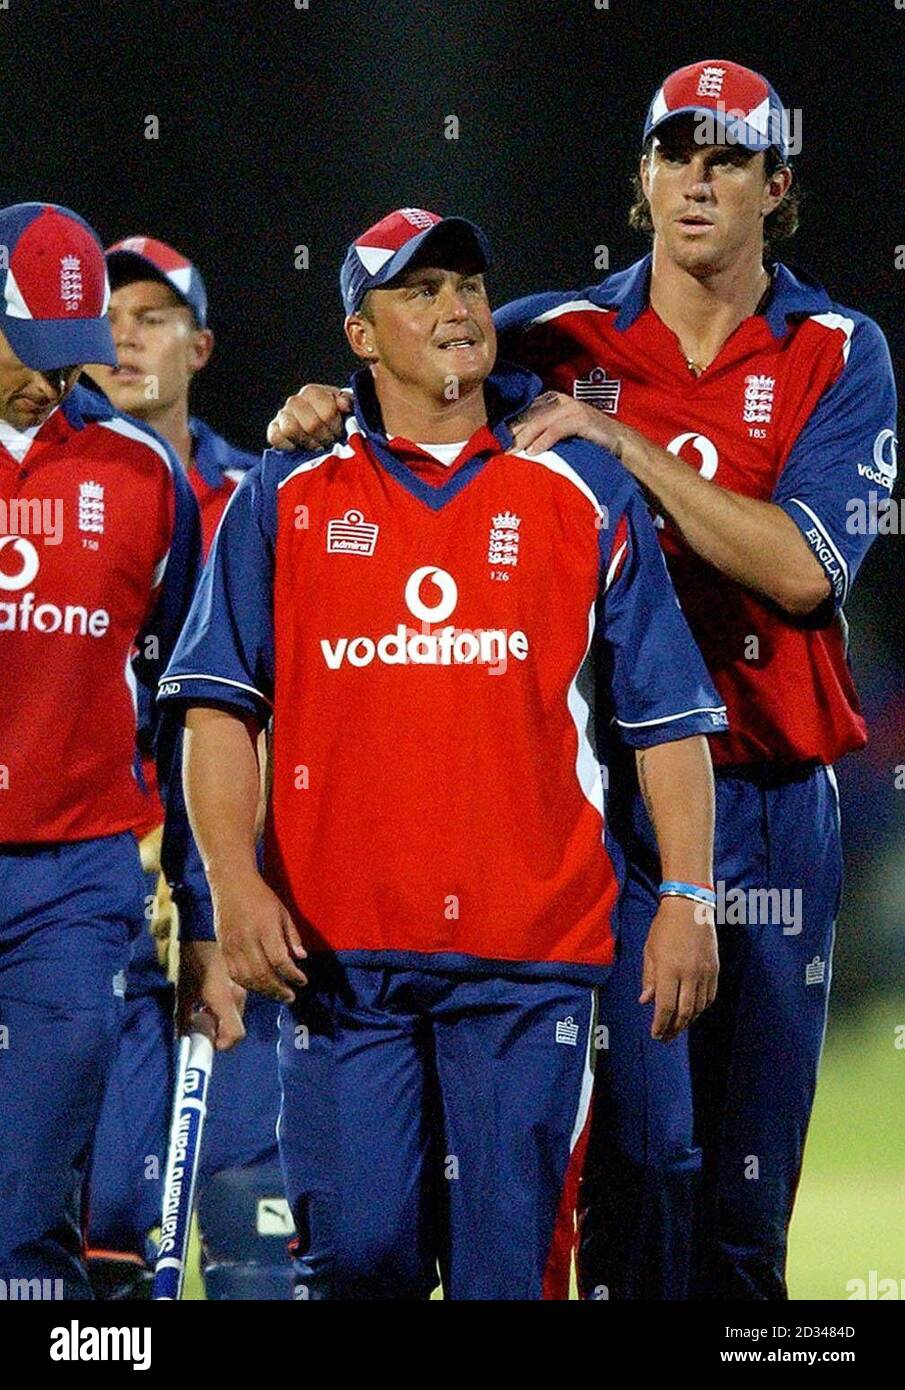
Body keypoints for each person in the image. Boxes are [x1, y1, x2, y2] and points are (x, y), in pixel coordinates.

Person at [263, 62, 898, 1301]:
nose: (696, 179)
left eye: (726, 157)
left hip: (766, 802)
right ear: (642, 180)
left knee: (744, 1197)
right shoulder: (554, 338)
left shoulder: (835, 352)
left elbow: (803, 571)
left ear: (777, 186)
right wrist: (321, 409)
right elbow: (413, 392)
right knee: (635, 1164)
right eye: (674, 154)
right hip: (608, 814)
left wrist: (624, 444)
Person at [159, 207, 725, 1300]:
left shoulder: (581, 489)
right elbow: (219, 709)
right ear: (358, 337)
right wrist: (232, 883)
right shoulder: (284, 495)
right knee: (357, 1257)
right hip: (340, 958)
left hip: (530, 958)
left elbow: (665, 721)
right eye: (416, 292)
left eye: (465, 283)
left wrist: (689, 894)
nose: (455, 307)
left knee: (502, 1276)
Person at [0, 202, 202, 1299]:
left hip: (74, 891)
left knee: (27, 1217)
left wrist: (201, 908)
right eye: (31, 353)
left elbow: (184, 709)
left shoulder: (141, 478)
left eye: (71, 357)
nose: (54, 381)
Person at [85, 236, 291, 1300]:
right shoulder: (41, 493)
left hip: (234, 899)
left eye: (155, 315)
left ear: (201, 345)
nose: (125, 331)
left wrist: (219, 869)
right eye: (108, 310)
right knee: (103, 1226)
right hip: (94, 896)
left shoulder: (262, 500)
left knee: (251, 1219)